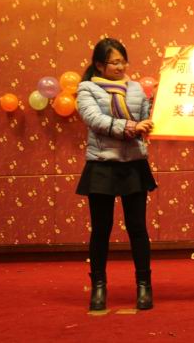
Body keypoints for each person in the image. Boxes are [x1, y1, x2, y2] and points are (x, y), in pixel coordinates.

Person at [76, 38, 156, 311]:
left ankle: (144, 286)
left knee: (138, 228)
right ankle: (98, 288)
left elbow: (147, 119)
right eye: (115, 62)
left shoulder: (135, 89)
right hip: (102, 164)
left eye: (123, 61)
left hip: (133, 164)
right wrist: (131, 127)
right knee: (101, 229)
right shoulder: (86, 89)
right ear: (100, 65)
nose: (121, 67)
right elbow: (95, 120)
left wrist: (157, 103)